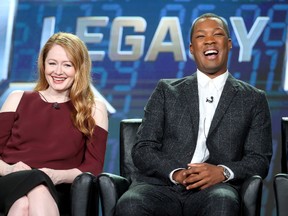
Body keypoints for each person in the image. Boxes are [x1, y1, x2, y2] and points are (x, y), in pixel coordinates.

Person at [115, 13, 272, 216]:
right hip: (161, 187)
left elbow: (259, 160)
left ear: (229, 44)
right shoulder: (166, 90)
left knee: (223, 202)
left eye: (217, 34)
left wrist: (222, 172)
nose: (209, 40)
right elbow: (143, 148)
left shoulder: (253, 99)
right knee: (131, 203)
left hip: (214, 189)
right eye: (200, 36)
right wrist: (178, 173)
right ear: (191, 48)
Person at [0, 32, 108, 215]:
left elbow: (93, 168)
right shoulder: (16, 98)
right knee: (35, 185)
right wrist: (10, 168)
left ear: (80, 68)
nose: (58, 72)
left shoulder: (94, 108)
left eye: (67, 65)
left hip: (59, 188)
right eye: (52, 63)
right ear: (43, 65)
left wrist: (56, 175)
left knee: (23, 205)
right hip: (9, 181)